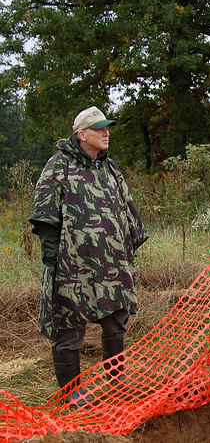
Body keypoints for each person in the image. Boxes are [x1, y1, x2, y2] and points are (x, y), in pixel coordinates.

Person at [30, 106, 149, 398]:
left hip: (112, 263)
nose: (106, 133)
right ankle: (72, 394)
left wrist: (128, 248)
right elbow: (45, 215)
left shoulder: (110, 168)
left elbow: (128, 211)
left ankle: (116, 383)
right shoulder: (59, 166)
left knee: (116, 319)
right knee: (69, 325)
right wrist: (52, 259)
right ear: (82, 134)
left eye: (107, 128)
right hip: (73, 265)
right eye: (99, 129)